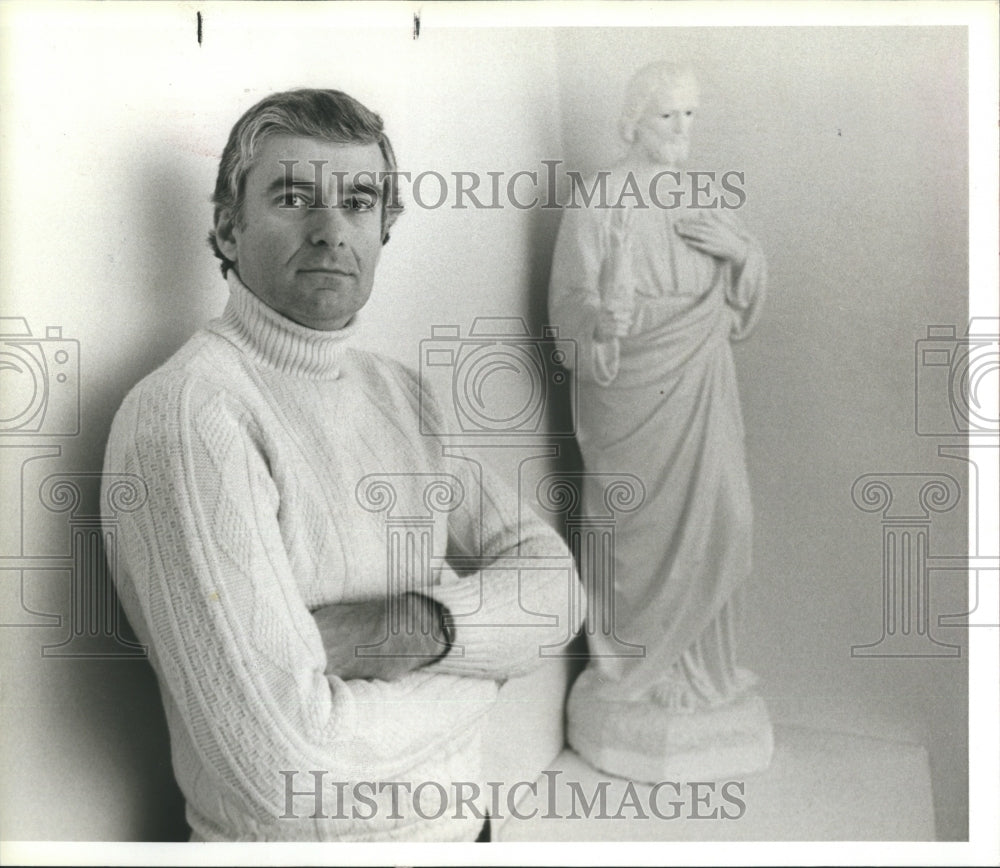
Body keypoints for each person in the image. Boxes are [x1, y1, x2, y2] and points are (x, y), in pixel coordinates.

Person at [102, 88, 582, 842]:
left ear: (384, 229)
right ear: (229, 226)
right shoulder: (191, 413)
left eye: (359, 202)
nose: (331, 231)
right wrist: (489, 660)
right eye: (294, 198)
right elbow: (287, 765)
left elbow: (556, 590)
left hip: (467, 835)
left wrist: (419, 627)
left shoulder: (400, 395)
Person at [548, 63, 771, 780]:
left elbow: (738, 304)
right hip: (631, 395)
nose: (681, 130)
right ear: (633, 121)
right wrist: (601, 322)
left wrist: (745, 257)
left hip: (702, 384)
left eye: (690, 116)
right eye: (666, 116)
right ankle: (637, 674)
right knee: (638, 530)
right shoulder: (600, 199)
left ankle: (701, 672)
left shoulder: (706, 197)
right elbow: (569, 306)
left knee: (726, 517)